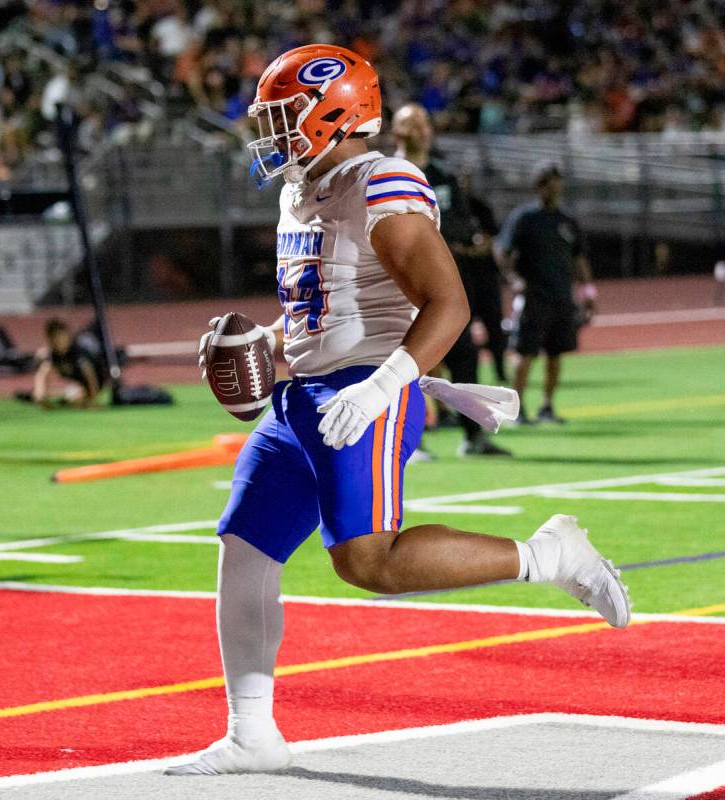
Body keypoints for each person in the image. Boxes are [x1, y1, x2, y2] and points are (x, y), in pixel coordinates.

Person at [165, 45, 629, 778]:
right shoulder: (300, 187)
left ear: (334, 112)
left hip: (365, 390)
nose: (272, 132)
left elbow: (449, 304)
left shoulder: (380, 182)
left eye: (285, 115)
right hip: (304, 395)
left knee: (367, 563)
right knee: (246, 547)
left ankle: (549, 555)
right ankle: (251, 732)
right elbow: (323, 309)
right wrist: (269, 339)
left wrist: (384, 387)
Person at [391, 102, 509, 457]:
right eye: (413, 124)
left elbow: (460, 222)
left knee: (465, 357)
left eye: (425, 122)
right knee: (406, 362)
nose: (422, 130)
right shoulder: (387, 173)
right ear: (397, 132)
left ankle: (473, 436)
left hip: (443, 284)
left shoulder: (442, 176)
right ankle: (408, 443)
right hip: (402, 286)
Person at [495, 161, 597, 424]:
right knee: (525, 352)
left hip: (562, 296)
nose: (554, 189)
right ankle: (516, 408)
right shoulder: (525, 218)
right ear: (539, 187)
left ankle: (547, 406)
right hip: (534, 296)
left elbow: (579, 258)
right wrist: (514, 279)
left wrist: (588, 292)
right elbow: (502, 252)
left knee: (556, 352)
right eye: (548, 184)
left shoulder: (567, 220)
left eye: (556, 184)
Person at [32, 318, 107, 407]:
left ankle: (77, 397)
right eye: (54, 338)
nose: (58, 341)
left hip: (97, 382)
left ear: (67, 336)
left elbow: (90, 375)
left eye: (61, 337)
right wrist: (40, 394)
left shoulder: (78, 352)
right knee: (52, 395)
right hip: (80, 386)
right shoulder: (52, 355)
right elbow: (42, 374)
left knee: (75, 399)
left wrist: (93, 400)